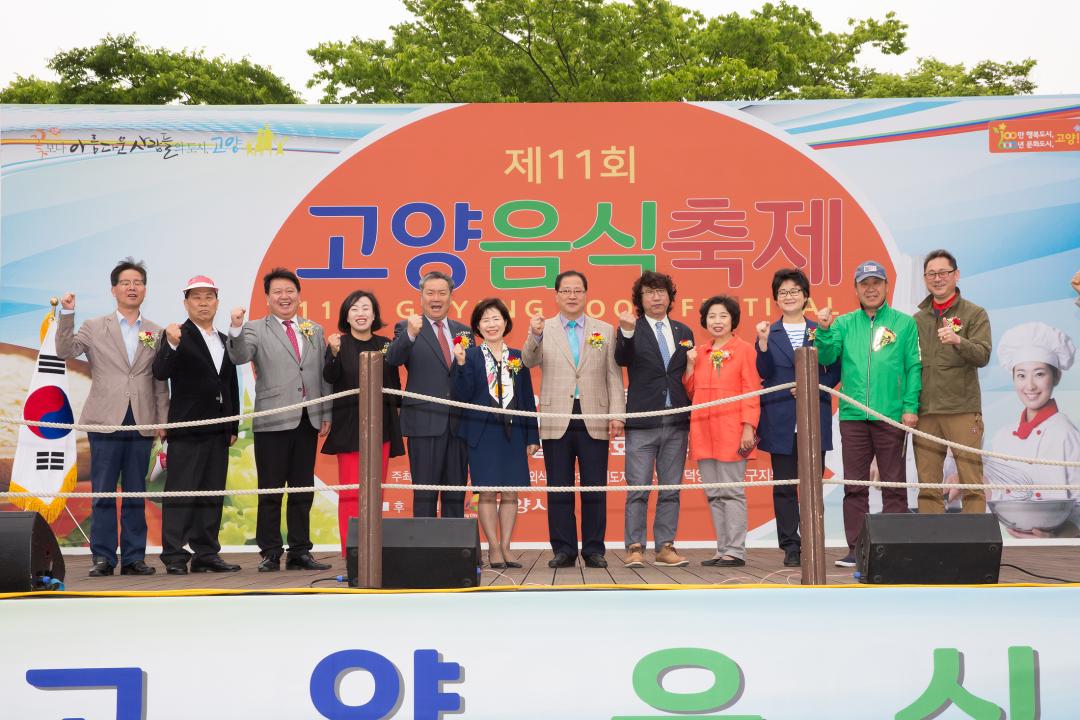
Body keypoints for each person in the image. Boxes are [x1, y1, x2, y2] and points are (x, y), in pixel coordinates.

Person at [56, 257, 169, 577]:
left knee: (136, 492)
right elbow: (66, 350)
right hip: (104, 419)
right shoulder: (94, 326)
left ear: (145, 290)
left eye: (138, 283)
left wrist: (163, 420)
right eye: (126, 283)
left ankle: (134, 557)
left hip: (143, 420)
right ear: (113, 289)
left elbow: (160, 380)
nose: (132, 288)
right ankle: (103, 557)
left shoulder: (156, 331)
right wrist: (66, 313)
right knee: (103, 491)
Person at [814, 260, 921, 568]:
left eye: (876, 283)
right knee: (855, 485)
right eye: (864, 284)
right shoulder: (843, 324)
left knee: (894, 484)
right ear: (856, 289)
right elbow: (826, 356)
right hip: (852, 414)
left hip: (891, 415)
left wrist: (910, 407)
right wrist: (822, 330)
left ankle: (895, 546)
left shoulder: (904, 323)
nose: (871, 288)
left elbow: (913, 366)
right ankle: (857, 548)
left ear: (886, 286)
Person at [227, 268, 331, 572]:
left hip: (308, 418)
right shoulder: (255, 329)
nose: (285, 297)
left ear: (299, 295)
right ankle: (270, 552)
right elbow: (239, 356)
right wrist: (235, 327)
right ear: (268, 298)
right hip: (272, 420)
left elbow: (323, 374)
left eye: (290, 291)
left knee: (302, 489)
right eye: (278, 292)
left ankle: (300, 551)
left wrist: (325, 413)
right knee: (271, 489)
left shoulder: (315, 329)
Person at [522, 270, 624, 569]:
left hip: (594, 414)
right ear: (556, 295)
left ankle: (594, 549)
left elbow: (613, 375)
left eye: (577, 290)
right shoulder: (545, 328)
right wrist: (535, 334)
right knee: (559, 486)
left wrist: (617, 414)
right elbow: (528, 361)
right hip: (557, 417)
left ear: (586, 294)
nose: (571, 296)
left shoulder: (604, 329)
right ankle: (563, 549)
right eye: (565, 291)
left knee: (594, 487)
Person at [152, 275, 241, 575]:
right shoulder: (177, 334)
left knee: (211, 492)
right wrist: (172, 344)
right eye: (196, 297)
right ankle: (174, 556)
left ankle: (206, 554)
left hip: (218, 429)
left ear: (217, 301)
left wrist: (233, 425)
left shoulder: (225, 339)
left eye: (209, 297)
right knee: (181, 492)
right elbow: (160, 371)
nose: (203, 303)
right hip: (187, 427)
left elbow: (230, 383)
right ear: (185, 302)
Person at [754, 269, 841, 568]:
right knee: (784, 486)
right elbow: (764, 371)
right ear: (776, 298)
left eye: (794, 291)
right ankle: (791, 545)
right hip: (779, 418)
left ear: (806, 296)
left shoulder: (822, 330)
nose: (789, 296)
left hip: (814, 416)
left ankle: (813, 538)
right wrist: (763, 343)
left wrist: (809, 388)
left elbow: (834, 370)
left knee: (812, 485)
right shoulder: (768, 331)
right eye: (783, 292)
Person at [451, 298, 540, 568]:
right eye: (485, 320)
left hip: (513, 433)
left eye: (496, 318)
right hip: (482, 433)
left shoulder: (517, 357)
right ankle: (493, 547)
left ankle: (506, 546)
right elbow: (461, 396)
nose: (491, 324)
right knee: (487, 493)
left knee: (511, 493)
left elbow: (526, 397)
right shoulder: (471, 355)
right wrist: (462, 365)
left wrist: (532, 436)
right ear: (477, 326)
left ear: (505, 322)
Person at [615, 270, 693, 568]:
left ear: (670, 297)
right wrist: (626, 332)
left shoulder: (684, 331)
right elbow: (621, 358)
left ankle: (666, 546)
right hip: (643, 421)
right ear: (640, 299)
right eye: (649, 292)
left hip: (676, 421)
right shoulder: (630, 328)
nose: (656, 297)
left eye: (661, 291)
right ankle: (635, 547)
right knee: (638, 488)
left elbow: (687, 372)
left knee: (671, 489)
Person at [321, 290, 405, 556]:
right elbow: (330, 376)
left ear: (374, 314)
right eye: (355, 308)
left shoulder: (385, 345)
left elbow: (395, 387)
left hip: (380, 429)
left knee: (374, 493)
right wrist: (333, 354)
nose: (361, 313)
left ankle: (372, 552)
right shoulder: (338, 344)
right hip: (348, 429)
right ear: (347, 315)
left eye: (366, 308)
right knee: (350, 493)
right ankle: (352, 553)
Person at [912, 250, 992, 515]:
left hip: (962, 409)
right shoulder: (917, 320)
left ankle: (973, 548)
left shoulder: (975, 313)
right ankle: (931, 547)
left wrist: (959, 341)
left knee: (971, 482)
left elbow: (983, 355)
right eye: (931, 274)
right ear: (925, 279)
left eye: (943, 273)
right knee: (928, 486)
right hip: (926, 412)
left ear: (956, 275)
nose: (938, 279)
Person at [385, 271, 471, 518]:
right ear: (421, 297)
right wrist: (411, 334)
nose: (436, 298)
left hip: (459, 425)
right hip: (424, 422)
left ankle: (453, 554)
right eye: (430, 293)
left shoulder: (463, 332)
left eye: (442, 293)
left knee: (455, 493)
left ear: (451, 297)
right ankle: (423, 554)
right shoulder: (407, 327)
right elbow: (393, 359)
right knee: (424, 494)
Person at [684, 295, 760, 567]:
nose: (717, 321)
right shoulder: (701, 352)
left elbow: (752, 391)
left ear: (733, 320)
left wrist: (748, 427)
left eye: (723, 316)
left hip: (732, 429)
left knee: (732, 491)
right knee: (714, 493)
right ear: (704, 320)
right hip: (703, 430)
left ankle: (736, 551)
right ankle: (722, 548)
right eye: (712, 316)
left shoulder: (745, 350)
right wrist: (690, 366)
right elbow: (691, 391)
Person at [990, 322, 1080, 537]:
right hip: (1006, 544)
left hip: (1055, 552)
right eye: (1021, 375)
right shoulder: (1002, 437)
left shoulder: (1066, 433)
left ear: (1056, 377)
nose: (1029, 386)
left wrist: (1058, 535)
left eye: (1039, 374)